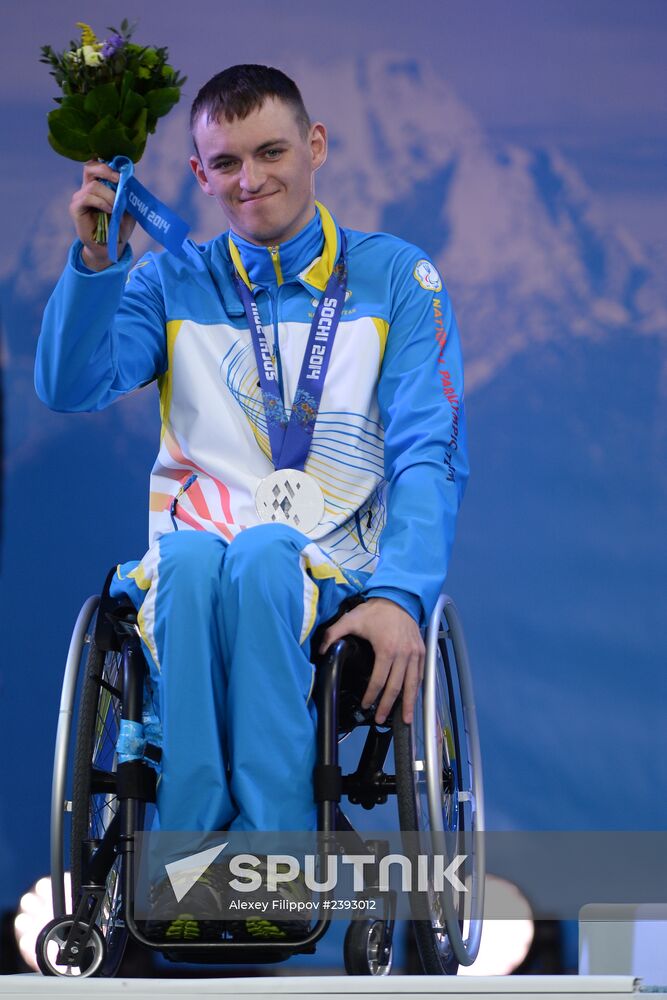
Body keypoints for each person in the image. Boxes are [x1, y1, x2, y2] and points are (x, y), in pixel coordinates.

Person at [35, 64, 468, 938]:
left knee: (266, 553)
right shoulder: (167, 284)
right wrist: (94, 261)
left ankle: (276, 864)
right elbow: (71, 385)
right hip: (190, 570)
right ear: (198, 176)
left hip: (330, 574)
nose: (250, 178)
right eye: (224, 162)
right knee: (194, 559)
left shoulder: (394, 280)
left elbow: (430, 448)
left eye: (270, 151)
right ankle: (191, 868)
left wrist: (400, 595)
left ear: (313, 148)